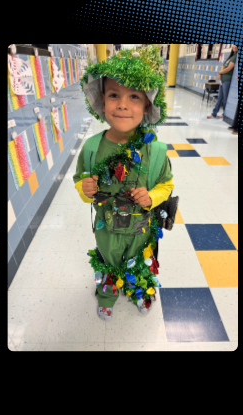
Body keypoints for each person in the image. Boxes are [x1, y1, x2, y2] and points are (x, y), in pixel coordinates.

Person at [75, 46, 174, 321]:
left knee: (141, 261)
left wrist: (151, 196)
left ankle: (139, 291)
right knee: (107, 262)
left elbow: (166, 183)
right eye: (114, 95)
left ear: (147, 105)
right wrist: (85, 188)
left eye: (134, 97)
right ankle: (107, 295)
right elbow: (80, 178)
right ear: (102, 101)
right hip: (106, 229)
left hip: (141, 229)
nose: (122, 104)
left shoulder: (155, 151)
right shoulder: (92, 148)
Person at [207, 44, 236, 119]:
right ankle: (214, 113)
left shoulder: (235, 57)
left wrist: (220, 72)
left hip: (227, 80)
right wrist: (220, 74)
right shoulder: (231, 57)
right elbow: (225, 67)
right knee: (220, 98)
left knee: (226, 99)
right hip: (223, 81)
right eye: (234, 45)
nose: (235, 46)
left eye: (237, 45)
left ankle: (225, 114)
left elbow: (228, 69)